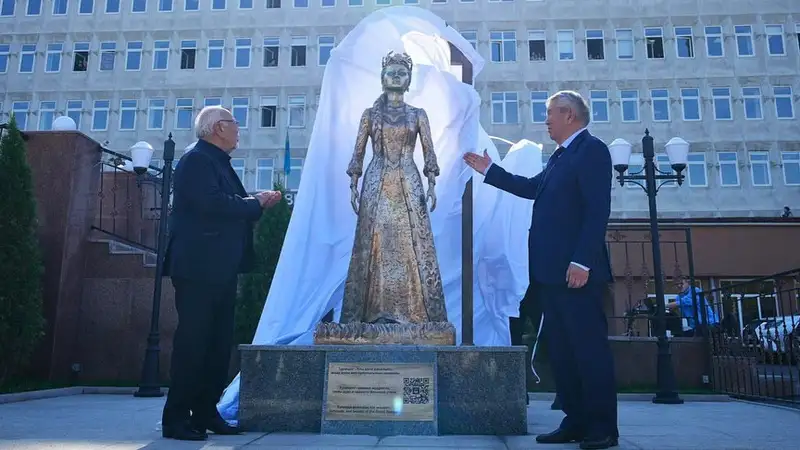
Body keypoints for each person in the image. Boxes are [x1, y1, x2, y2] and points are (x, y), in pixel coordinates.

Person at [464, 90, 618, 450]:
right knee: (562, 352)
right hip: (551, 274)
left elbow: (597, 211)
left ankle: (602, 428)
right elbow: (533, 187)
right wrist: (490, 171)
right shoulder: (560, 157)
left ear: (569, 115)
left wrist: (582, 261)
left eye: (550, 114)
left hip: (577, 273)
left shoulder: (592, 151)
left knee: (588, 351)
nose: (546, 121)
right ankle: (575, 421)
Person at [160, 106, 282, 441]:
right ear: (217, 128)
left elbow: (226, 202)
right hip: (199, 268)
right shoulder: (197, 160)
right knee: (194, 344)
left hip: (220, 269)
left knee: (216, 345)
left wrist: (253, 200)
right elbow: (213, 204)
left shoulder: (217, 161)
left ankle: (205, 411)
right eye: (234, 123)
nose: (239, 129)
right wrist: (254, 203)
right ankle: (176, 418)